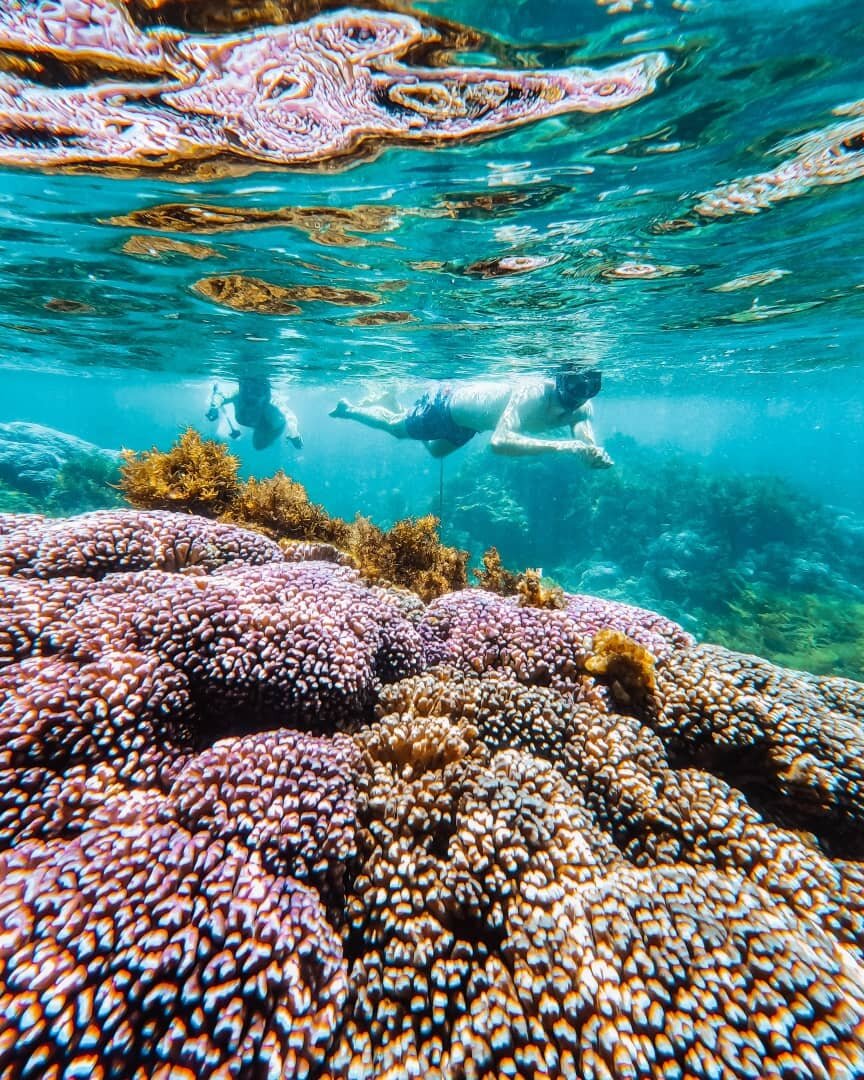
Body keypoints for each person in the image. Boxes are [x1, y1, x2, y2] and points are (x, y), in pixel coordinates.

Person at [329, 367, 613, 467]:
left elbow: (583, 436)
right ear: (562, 380)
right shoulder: (534, 394)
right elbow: (499, 442)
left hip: (469, 424)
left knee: (436, 452)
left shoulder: (583, 406)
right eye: (577, 385)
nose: (583, 393)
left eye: (593, 387)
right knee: (396, 428)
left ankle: (391, 400)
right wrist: (566, 447)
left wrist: (590, 453)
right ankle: (349, 409)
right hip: (444, 407)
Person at [206, 376, 303, 450]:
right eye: (247, 389)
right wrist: (214, 406)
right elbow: (221, 396)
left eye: (257, 392)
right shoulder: (239, 396)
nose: (251, 394)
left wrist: (294, 434)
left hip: (271, 425)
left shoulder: (272, 408)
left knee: (259, 445)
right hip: (264, 422)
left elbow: (289, 416)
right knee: (259, 444)